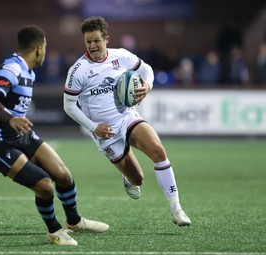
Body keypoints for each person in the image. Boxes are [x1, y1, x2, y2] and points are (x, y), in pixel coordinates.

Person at [0, 25, 109, 246]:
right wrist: (11, 118)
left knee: (63, 175)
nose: (46, 52)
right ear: (39, 49)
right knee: (45, 186)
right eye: (45, 48)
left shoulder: (27, 69)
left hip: (21, 135)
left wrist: (15, 122)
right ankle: (54, 231)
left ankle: (75, 222)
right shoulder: (12, 68)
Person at [63, 16, 191, 226]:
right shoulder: (78, 70)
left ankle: (177, 209)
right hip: (105, 132)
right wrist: (94, 127)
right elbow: (68, 106)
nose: (92, 46)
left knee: (158, 151)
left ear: (106, 39)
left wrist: (148, 85)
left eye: (96, 40)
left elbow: (146, 70)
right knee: (138, 179)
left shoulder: (121, 56)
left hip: (127, 117)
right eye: (88, 42)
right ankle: (129, 178)